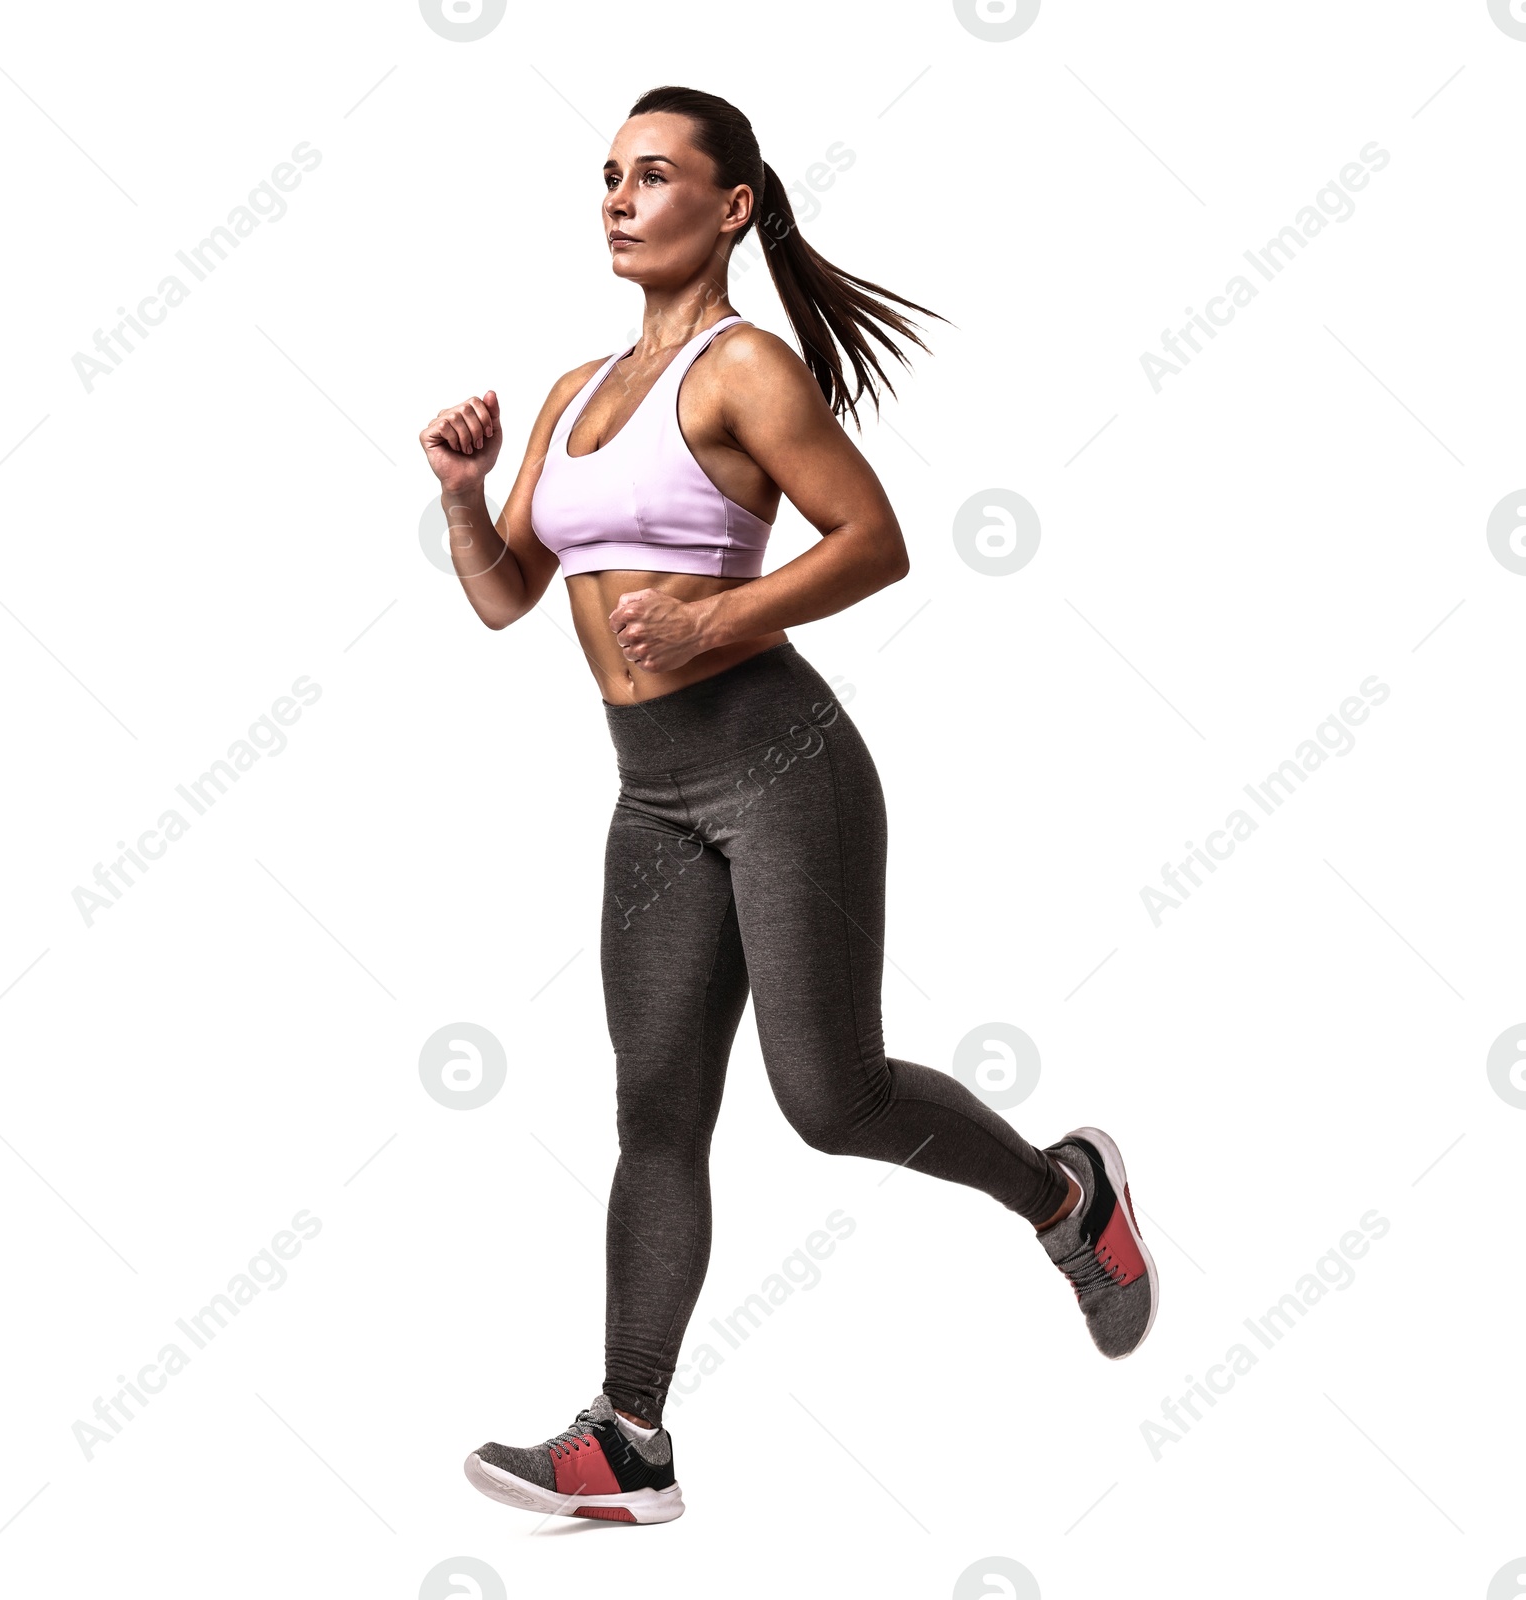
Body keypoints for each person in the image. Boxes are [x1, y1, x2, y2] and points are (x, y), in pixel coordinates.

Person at [419, 85, 1157, 1527]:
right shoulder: (573, 393)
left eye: (656, 175)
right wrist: (465, 491)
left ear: (732, 205)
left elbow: (874, 538)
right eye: (609, 177)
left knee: (831, 1099)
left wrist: (726, 623)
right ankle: (628, 1438)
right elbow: (510, 600)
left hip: (780, 768)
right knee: (655, 1113)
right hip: (653, 799)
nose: (621, 198)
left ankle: (1067, 1198)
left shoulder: (742, 368)